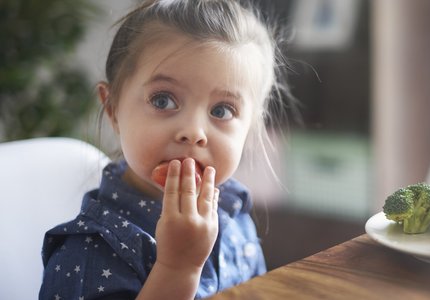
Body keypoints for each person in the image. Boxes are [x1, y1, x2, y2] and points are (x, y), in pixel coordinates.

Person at [39, 0, 295, 299]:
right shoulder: (87, 254)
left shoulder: (233, 209)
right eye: (163, 101)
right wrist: (177, 268)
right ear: (113, 110)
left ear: (251, 128)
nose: (194, 132)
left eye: (222, 110)